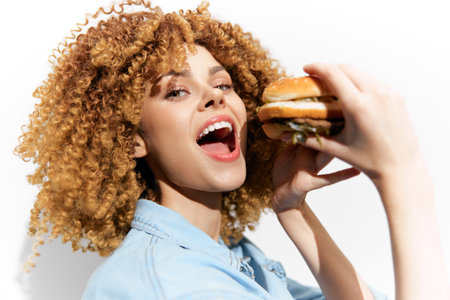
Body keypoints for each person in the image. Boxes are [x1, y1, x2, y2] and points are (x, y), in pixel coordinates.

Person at [15, 0, 449, 299]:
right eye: (177, 92)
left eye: (223, 84)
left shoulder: (232, 255)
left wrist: (293, 213)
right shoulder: (168, 283)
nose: (215, 96)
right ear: (132, 138)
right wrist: (405, 179)